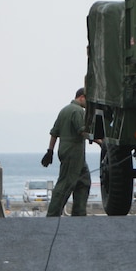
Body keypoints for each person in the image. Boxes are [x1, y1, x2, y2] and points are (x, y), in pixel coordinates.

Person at [42, 88, 92, 216]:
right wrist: (100, 141)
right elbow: (82, 131)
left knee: (83, 181)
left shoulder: (64, 110)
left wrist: (50, 151)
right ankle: (53, 215)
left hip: (69, 152)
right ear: (81, 97)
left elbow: (54, 133)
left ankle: (79, 213)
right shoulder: (77, 111)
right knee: (66, 183)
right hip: (73, 152)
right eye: (88, 100)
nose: (88, 104)